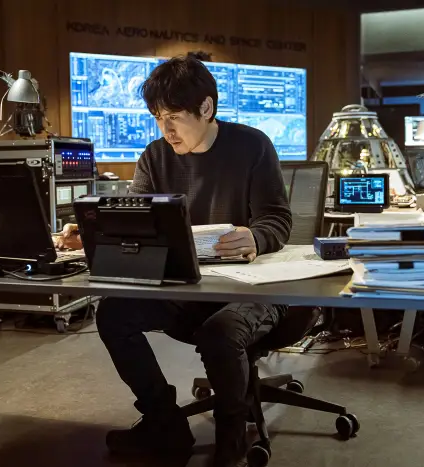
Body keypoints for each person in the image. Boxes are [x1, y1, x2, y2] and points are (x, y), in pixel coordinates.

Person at [57, 53, 292, 467]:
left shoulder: (252, 146)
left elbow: (277, 219)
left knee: (221, 333)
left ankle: (232, 433)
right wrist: (96, 233)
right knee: (113, 314)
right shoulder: (155, 156)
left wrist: (256, 236)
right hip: (188, 287)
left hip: (251, 287)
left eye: (174, 117)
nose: (165, 130)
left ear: (206, 107)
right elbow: (136, 220)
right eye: (157, 118)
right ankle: (164, 422)